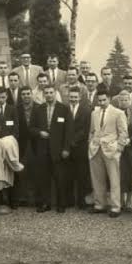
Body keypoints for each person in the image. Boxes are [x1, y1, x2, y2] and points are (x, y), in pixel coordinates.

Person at [31, 85, 73, 213]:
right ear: (44, 94)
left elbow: (69, 130)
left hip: (59, 150)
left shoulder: (64, 109)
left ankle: (61, 204)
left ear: (55, 93)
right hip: (43, 149)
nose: (49, 95)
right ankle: (45, 203)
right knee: (43, 178)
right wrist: (39, 133)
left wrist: (66, 149)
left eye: (51, 92)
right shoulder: (38, 109)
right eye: (46, 93)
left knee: (60, 178)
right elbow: (31, 128)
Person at [88, 89, 128, 217]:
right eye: (99, 100)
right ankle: (100, 204)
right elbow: (92, 131)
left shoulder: (118, 113)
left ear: (109, 99)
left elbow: (123, 132)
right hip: (95, 149)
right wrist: (90, 143)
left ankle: (116, 207)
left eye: (104, 100)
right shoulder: (94, 113)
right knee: (97, 178)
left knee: (114, 179)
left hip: (112, 149)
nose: (102, 102)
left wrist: (119, 148)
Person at [67, 87, 92, 209]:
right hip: (67, 147)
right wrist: (68, 142)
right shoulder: (64, 109)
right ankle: (70, 200)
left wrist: (74, 140)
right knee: (68, 174)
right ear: (68, 97)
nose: (73, 99)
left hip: (81, 146)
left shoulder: (86, 110)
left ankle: (81, 201)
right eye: (71, 97)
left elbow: (86, 129)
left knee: (81, 174)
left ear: (80, 97)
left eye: (75, 97)